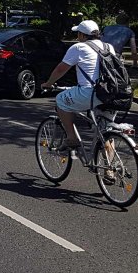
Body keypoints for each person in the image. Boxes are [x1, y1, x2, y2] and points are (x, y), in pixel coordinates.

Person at [42, 20, 119, 179]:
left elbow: (61, 69)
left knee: (60, 100)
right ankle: (109, 170)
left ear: (82, 35)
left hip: (89, 93)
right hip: (111, 94)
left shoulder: (78, 47)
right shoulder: (108, 47)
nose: (77, 37)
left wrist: (49, 83)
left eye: (78, 34)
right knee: (105, 131)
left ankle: (71, 138)